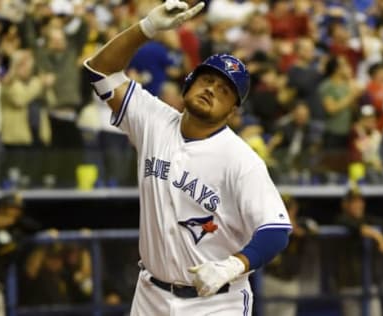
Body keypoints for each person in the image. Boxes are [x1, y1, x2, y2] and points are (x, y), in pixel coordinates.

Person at [83, 1, 292, 315]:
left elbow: (276, 230)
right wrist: (148, 28)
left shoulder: (241, 160)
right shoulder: (152, 119)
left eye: (224, 90)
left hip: (218, 301)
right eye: (207, 80)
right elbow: (99, 70)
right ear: (189, 82)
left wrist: (234, 265)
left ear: (232, 112)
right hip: (150, 296)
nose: (211, 90)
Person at [333, 186, 383, 316]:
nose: (357, 205)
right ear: (345, 205)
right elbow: (352, 225)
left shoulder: (367, 220)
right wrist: (377, 236)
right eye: (353, 202)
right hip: (349, 285)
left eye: (359, 201)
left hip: (369, 284)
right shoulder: (341, 220)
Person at [0, 191, 43, 316]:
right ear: (2, 208)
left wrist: (17, 225)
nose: (15, 212)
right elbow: (9, 250)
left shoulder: (11, 228)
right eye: (12, 208)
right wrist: (17, 238)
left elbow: (35, 226)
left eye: (18, 209)